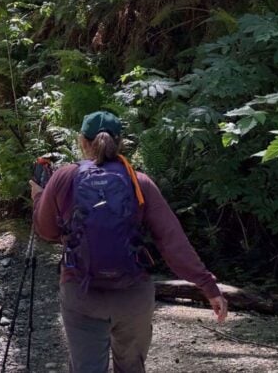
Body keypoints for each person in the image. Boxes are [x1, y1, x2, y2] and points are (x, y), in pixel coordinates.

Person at [31, 111, 228, 373]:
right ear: (120, 142)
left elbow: (46, 231)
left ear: (82, 141)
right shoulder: (139, 182)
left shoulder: (64, 177)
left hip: (81, 292)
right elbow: (172, 240)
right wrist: (208, 285)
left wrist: (38, 197)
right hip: (133, 295)